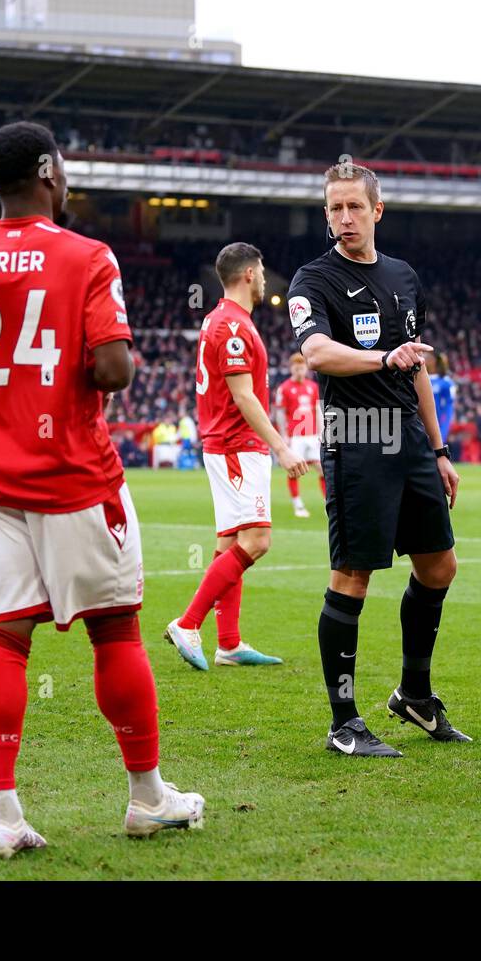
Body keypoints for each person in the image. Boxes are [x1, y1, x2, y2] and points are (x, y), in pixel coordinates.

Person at [0, 120, 203, 860]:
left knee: (3, 639)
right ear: (46, 171)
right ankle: (145, 798)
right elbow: (114, 369)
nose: (68, 180)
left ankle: (2, 816)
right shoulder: (87, 255)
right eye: (64, 169)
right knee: (116, 632)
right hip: (75, 477)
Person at [286, 159, 469, 757]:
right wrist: (382, 358)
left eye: (353, 207)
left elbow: (415, 364)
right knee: (353, 577)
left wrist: (438, 448)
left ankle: (414, 695)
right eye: (333, 208)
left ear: (377, 210)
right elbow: (316, 353)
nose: (343, 218)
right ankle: (343, 721)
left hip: (410, 443)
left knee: (439, 567)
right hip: (356, 439)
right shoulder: (312, 280)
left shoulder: (402, 276)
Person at [164, 243, 307, 668]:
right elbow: (243, 396)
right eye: (261, 271)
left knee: (229, 543)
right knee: (257, 540)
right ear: (248, 274)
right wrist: (281, 446)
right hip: (237, 446)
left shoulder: (221, 319)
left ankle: (228, 643)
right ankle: (188, 623)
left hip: (228, 445)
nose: (264, 279)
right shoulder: (231, 325)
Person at [274, 351, 325, 517]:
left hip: (312, 436)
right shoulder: (285, 388)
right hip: (295, 436)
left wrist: (321, 431)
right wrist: (284, 435)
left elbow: (317, 410)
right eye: (296, 368)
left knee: (322, 469)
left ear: (306, 368)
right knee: (294, 470)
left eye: (302, 368)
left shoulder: (313, 387)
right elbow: (280, 413)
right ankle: (298, 504)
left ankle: (327, 503)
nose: (299, 371)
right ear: (291, 369)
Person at [427, 351, 457, 447]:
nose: (423, 359)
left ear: (435, 360)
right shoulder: (416, 378)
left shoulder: (446, 382)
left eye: (427, 357)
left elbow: (449, 408)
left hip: (435, 424)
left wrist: (443, 431)